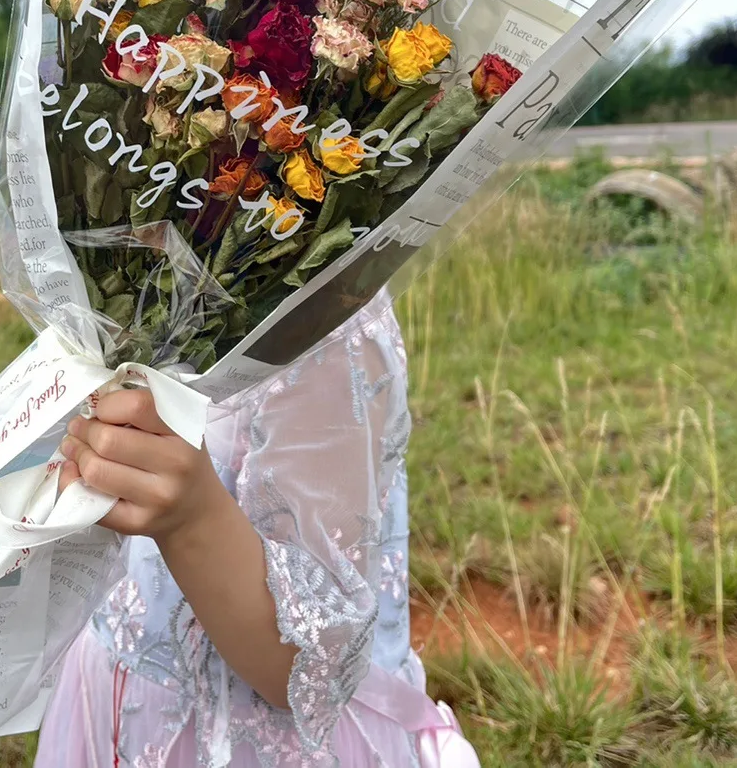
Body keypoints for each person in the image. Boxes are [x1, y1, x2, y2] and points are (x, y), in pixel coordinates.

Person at [36, 297, 480, 768]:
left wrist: (192, 518)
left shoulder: (325, 331)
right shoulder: (142, 291)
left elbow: (306, 666)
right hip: (117, 692)